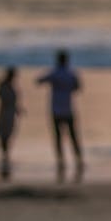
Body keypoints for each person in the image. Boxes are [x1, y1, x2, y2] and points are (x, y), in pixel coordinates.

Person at [36, 49, 83, 182]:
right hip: (68, 109)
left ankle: (61, 161)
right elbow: (78, 87)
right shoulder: (71, 74)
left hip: (56, 110)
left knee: (58, 138)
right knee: (74, 136)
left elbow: (38, 81)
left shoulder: (54, 73)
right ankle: (79, 159)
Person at [0, 67, 22, 180]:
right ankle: (4, 155)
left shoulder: (9, 86)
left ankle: (5, 155)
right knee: (4, 134)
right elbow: (3, 98)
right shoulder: (5, 86)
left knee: (8, 134)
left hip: (9, 113)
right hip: (5, 113)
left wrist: (17, 109)